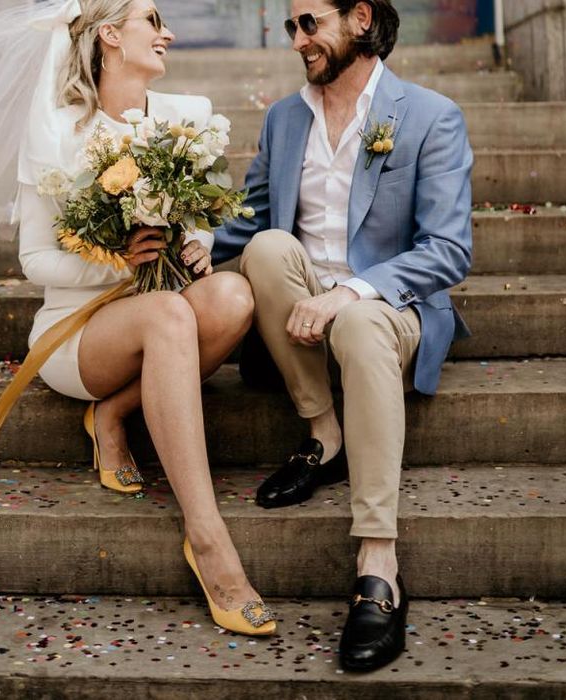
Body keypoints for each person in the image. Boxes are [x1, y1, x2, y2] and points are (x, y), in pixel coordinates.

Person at [0, 0, 276, 636]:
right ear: (110, 36)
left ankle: (114, 413)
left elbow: (205, 213)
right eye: (152, 19)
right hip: (81, 330)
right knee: (168, 321)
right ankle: (206, 537)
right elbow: (35, 259)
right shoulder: (56, 130)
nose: (167, 32)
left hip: (162, 307)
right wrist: (118, 262)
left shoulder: (189, 117)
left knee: (234, 298)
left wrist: (200, 241)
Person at [213, 0, 473, 669]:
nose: (297, 38)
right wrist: (182, 244)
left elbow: (448, 250)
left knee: (356, 319)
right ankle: (324, 432)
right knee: (269, 249)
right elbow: (250, 223)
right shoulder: (284, 117)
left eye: (309, 23)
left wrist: (347, 292)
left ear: (361, 19)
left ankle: (378, 561)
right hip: (302, 309)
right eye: (291, 26)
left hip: (387, 306)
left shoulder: (428, 115)